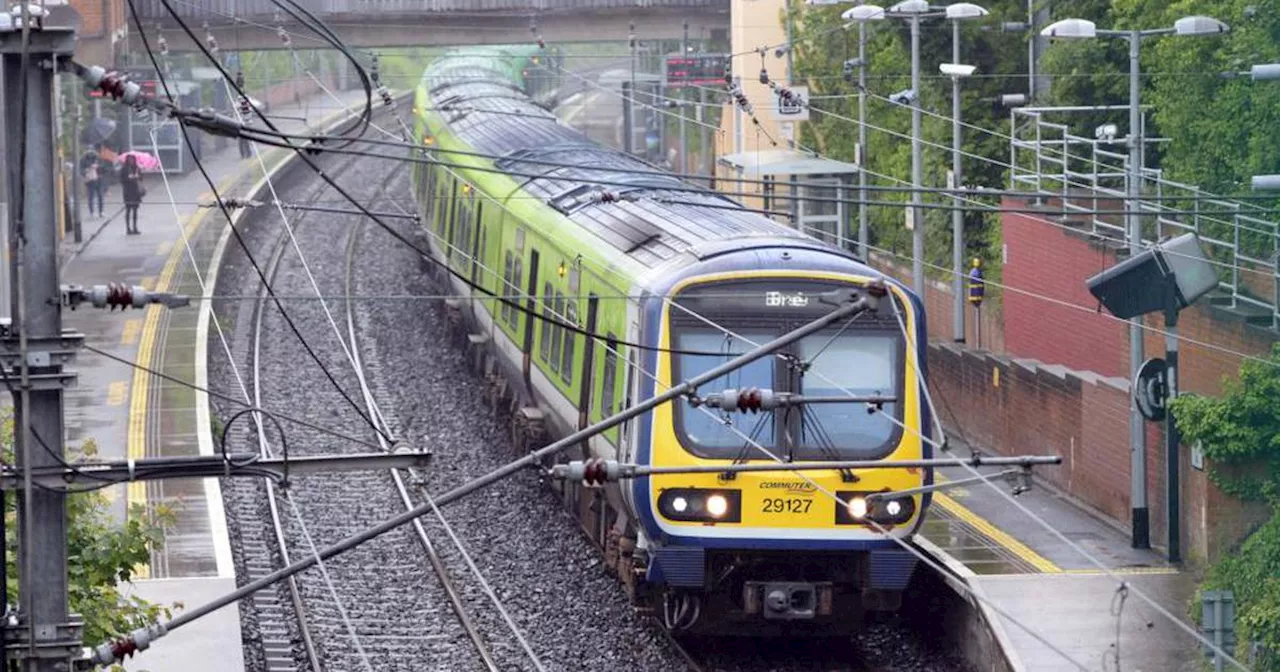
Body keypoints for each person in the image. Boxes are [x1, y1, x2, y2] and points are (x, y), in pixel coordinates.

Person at [118, 154, 144, 235]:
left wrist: (137, 176)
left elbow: (141, 178)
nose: (131, 161)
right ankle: (128, 228)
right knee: (128, 210)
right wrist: (129, 178)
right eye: (129, 160)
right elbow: (122, 180)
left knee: (135, 210)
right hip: (128, 192)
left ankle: (135, 227)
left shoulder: (137, 168)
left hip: (136, 192)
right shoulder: (124, 169)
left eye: (132, 159)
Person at [80, 148, 104, 218]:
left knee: (100, 196)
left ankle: (101, 212)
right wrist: (88, 169)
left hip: (98, 179)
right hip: (90, 180)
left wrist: (98, 167)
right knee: (91, 196)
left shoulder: (98, 158)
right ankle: (92, 212)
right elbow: (81, 170)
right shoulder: (83, 159)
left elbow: (103, 168)